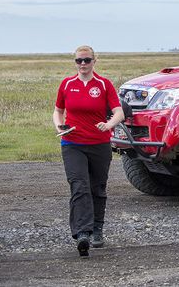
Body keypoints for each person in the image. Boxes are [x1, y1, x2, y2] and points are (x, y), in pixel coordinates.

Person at [52, 45, 125, 257]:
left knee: (97, 188)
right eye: (79, 61)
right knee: (79, 186)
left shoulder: (104, 85)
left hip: (99, 144)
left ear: (95, 61)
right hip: (72, 143)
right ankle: (82, 233)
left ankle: (97, 230)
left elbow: (119, 112)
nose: (83, 64)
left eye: (86, 60)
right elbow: (58, 111)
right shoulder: (67, 84)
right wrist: (59, 126)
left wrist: (109, 124)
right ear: (74, 62)